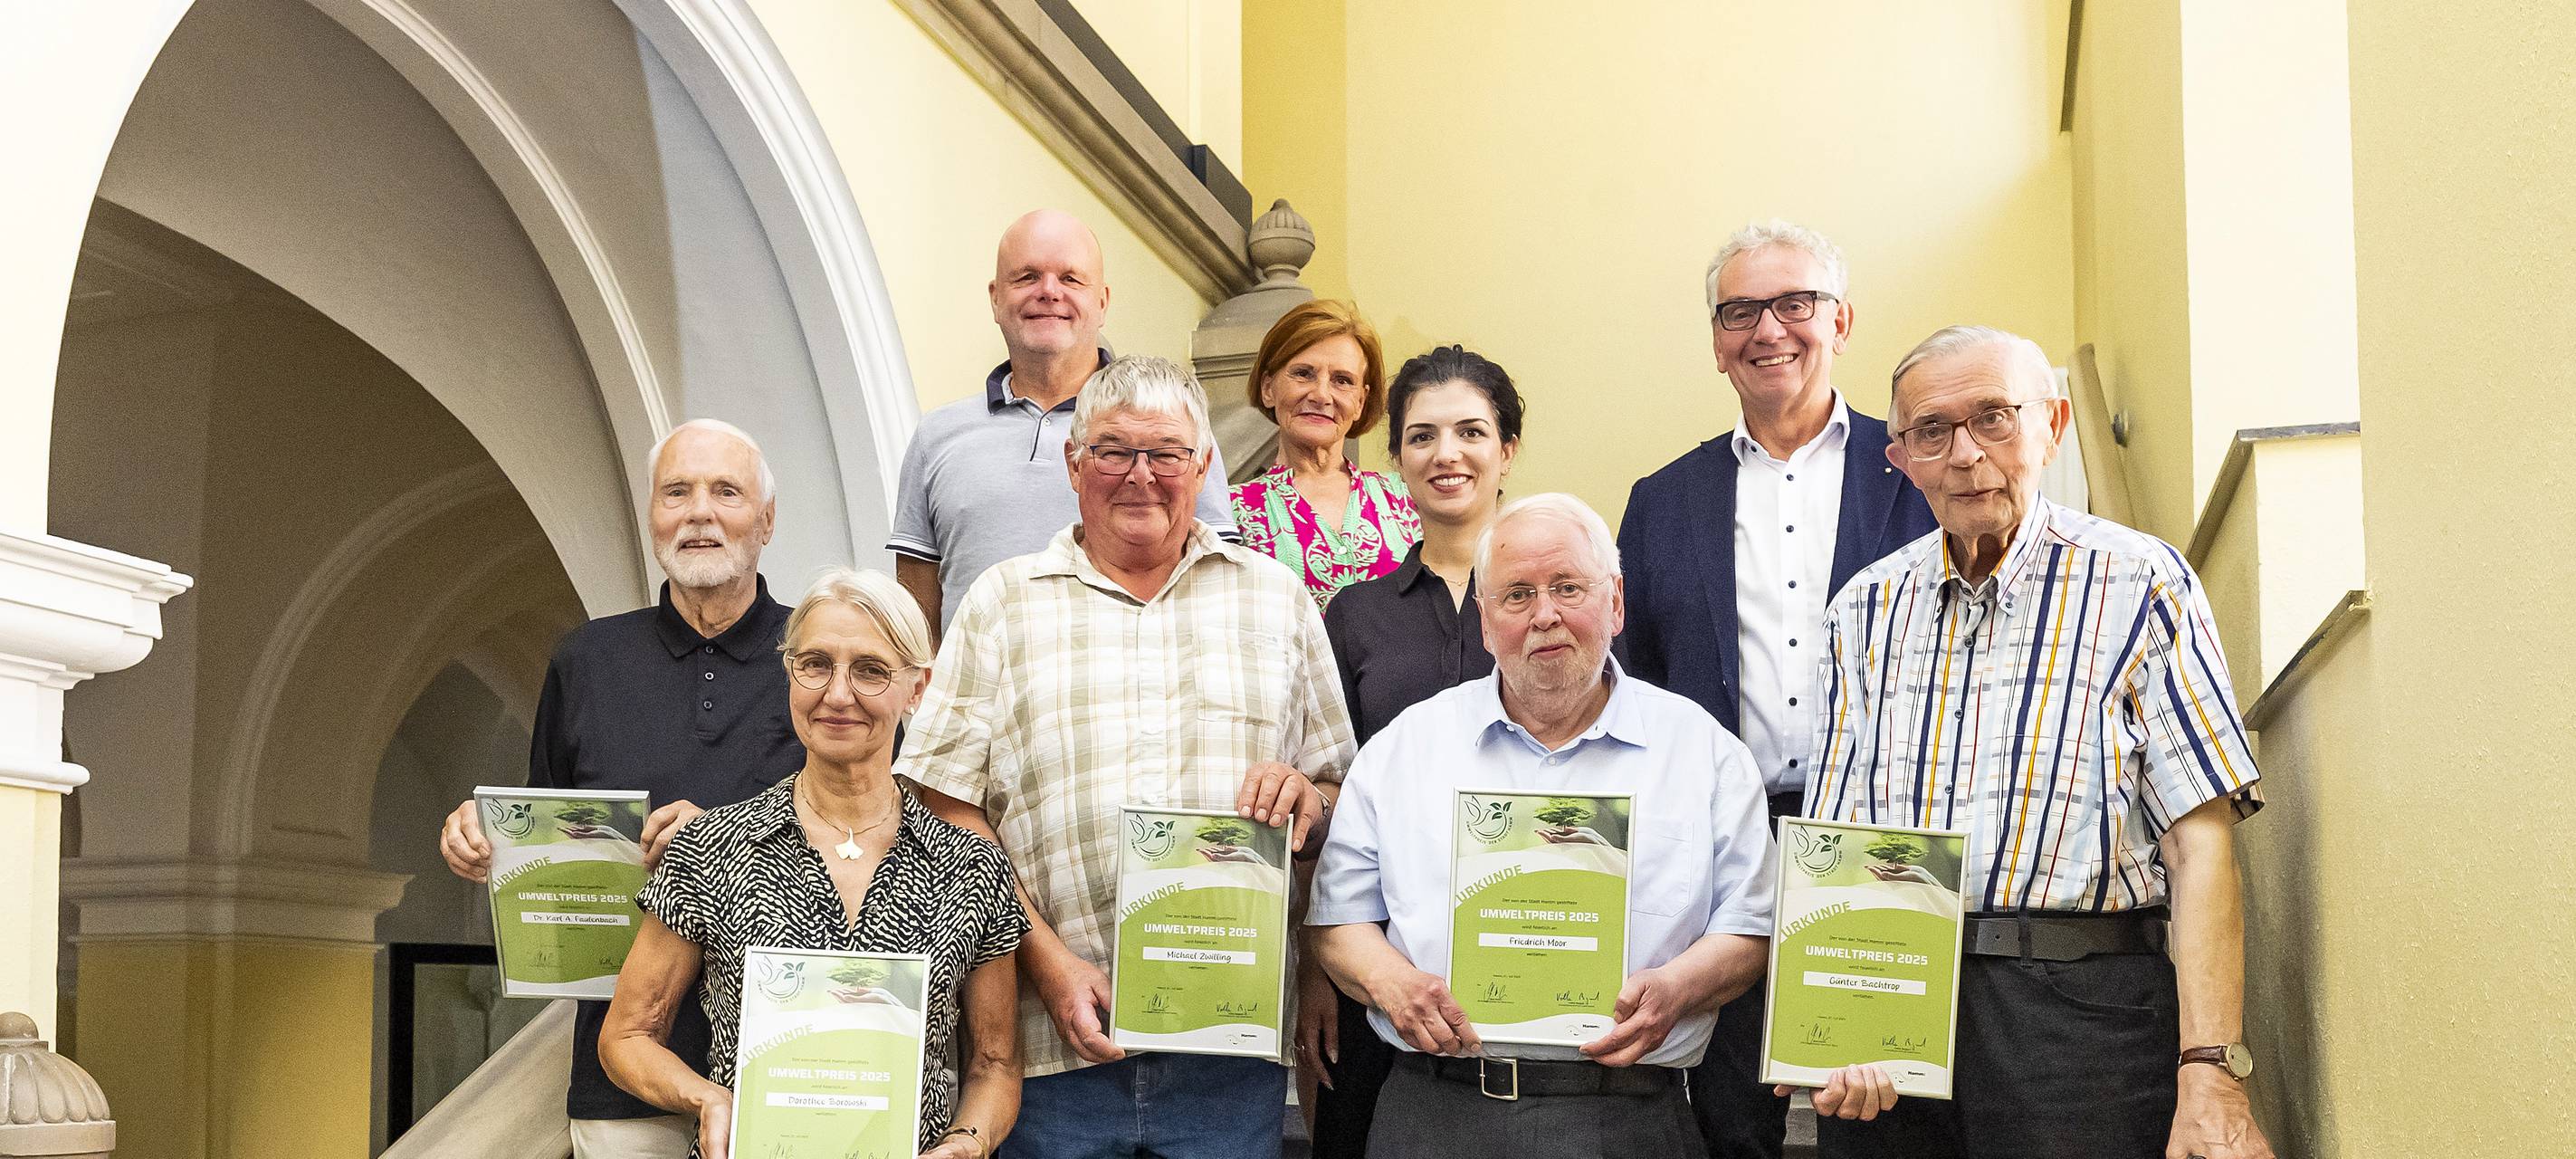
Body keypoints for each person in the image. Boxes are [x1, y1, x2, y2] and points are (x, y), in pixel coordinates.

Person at [1801, 326, 2272, 1159]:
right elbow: (1843, 854)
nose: (1966, 455)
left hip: (2082, 1021)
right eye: (1933, 432)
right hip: (1895, 1010)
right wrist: (1834, 1030)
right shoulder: (1859, 612)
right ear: (1900, 457)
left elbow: (2201, 851)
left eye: (1994, 418)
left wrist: (2210, 1071)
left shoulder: (2143, 584)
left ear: (2052, 425)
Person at [900, 355, 1357, 1158]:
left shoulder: (1276, 597)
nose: (1140, 475)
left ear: (1204, 466)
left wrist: (1306, 800)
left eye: (1166, 453)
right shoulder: (1003, 602)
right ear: (1076, 465)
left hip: (1230, 1054)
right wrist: (1047, 961)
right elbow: (942, 806)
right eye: (1113, 450)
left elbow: (1336, 787)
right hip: (1050, 1054)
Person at [1308, 493, 1777, 1158]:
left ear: (1615, 601)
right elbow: (1337, 919)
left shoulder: (1703, 752)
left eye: (1567, 587)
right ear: (1486, 621)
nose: (1545, 615)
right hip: (1434, 1110)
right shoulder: (1406, 746)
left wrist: (1680, 987)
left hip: (1630, 1117)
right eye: (1518, 595)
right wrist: (1392, 983)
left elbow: (1750, 925)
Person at [1616, 218, 1935, 1158]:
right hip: (1727, 846)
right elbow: (1632, 680)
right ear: (1716, 340)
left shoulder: (1918, 468)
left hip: (1881, 842)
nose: (1768, 330)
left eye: (1793, 303)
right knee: (1727, 1116)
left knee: (1881, 1111)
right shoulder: (1660, 498)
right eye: (1738, 310)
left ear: (1839, 320)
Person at [435, 418, 804, 1158]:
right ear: (652, 518)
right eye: (677, 492)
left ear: (766, 520)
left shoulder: (820, 661)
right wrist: (484, 837)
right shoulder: (588, 659)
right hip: (621, 1074)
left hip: (794, 1068)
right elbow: (545, 834)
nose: (699, 511)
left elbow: (881, 846)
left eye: (725, 491)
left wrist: (723, 841)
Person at [600, 568, 1025, 1159]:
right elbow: (627, 1035)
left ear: (918, 689)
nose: (838, 694)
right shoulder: (710, 848)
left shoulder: (972, 866)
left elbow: (996, 1064)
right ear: (790, 673)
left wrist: (965, 1143)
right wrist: (706, 1100)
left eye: (871, 670)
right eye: (816, 664)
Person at [1302, 345, 1523, 1154]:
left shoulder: (1566, 603)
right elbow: (1327, 790)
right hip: (1381, 959)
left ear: (1508, 452)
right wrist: (1315, 970)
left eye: (1471, 431)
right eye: (1422, 435)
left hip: (1541, 929)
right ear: (1395, 457)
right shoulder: (1355, 616)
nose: (1447, 454)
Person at [887, 209, 1236, 643]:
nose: (1048, 292)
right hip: (981, 704)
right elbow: (916, 611)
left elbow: (1215, 578)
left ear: (1103, 302)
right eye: (1027, 276)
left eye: (1070, 279)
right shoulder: (937, 435)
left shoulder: (1169, 431)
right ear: (995, 298)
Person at [1229, 300, 1419, 605]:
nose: (1321, 394)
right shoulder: (1231, 512)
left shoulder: (1406, 499)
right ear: (1268, 388)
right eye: (1303, 374)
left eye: (1342, 381)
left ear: (1360, 401)